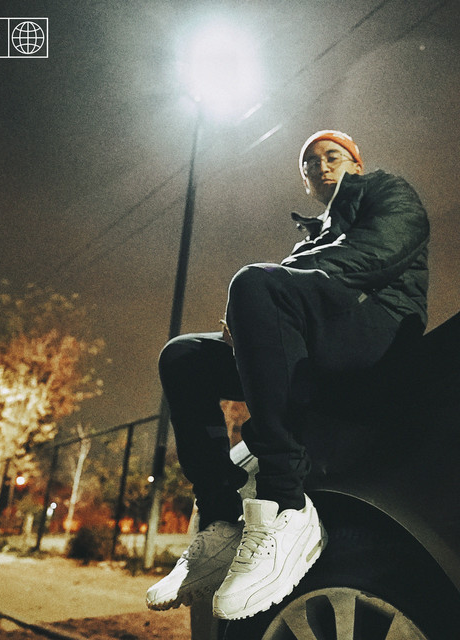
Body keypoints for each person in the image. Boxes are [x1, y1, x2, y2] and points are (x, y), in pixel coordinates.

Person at [145, 130, 429, 620]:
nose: (321, 166)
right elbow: (282, 294)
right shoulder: (314, 235)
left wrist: (271, 292)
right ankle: (220, 520)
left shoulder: (388, 191)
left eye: (332, 156)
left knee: (254, 282)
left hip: (376, 331)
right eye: (310, 163)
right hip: (320, 345)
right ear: (305, 182)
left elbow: (377, 254)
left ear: (357, 164)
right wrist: (253, 317)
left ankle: (286, 506)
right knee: (183, 357)